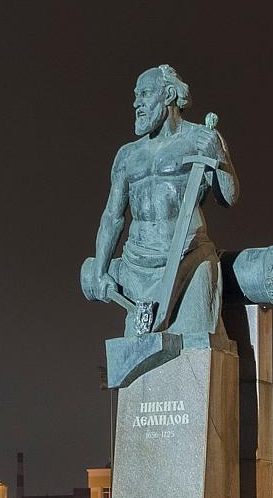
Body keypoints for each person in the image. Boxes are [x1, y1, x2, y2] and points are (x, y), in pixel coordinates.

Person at [83, 64, 236, 339]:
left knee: (197, 345)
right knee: (138, 356)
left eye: (144, 94)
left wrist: (219, 156)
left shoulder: (200, 138)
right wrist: (100, 269)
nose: (136, 103)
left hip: (187, 259)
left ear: (167, 95)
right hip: (137, 267)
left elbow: (228, 197)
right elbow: (112, 216)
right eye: (135, 96)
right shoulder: (127, 155)